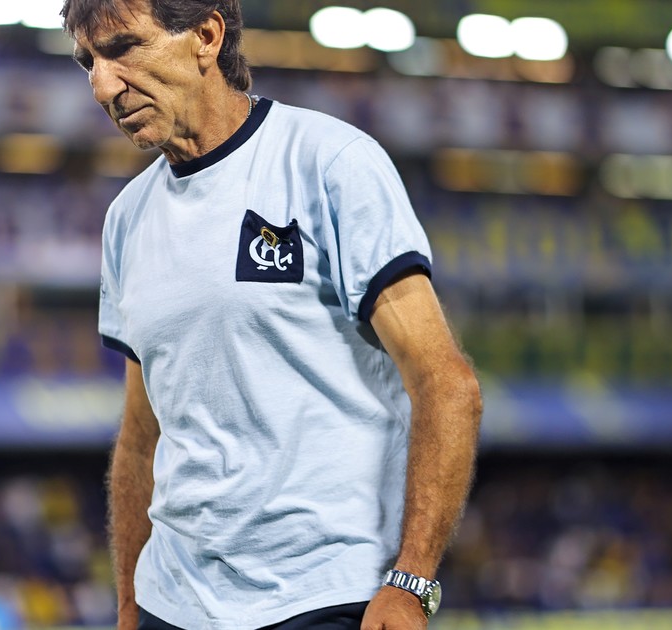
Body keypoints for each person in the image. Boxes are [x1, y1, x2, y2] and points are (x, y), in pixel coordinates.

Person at [60, 0, 482, 628]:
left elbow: (445, 382)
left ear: (207, 35)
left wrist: (412, 580)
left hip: (326, 596)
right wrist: (128, 605)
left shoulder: (329, 161)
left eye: (123, 49)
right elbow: (141, 437)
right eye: (87, 62)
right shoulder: (126, 219)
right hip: (171, 603)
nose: (102, 86)